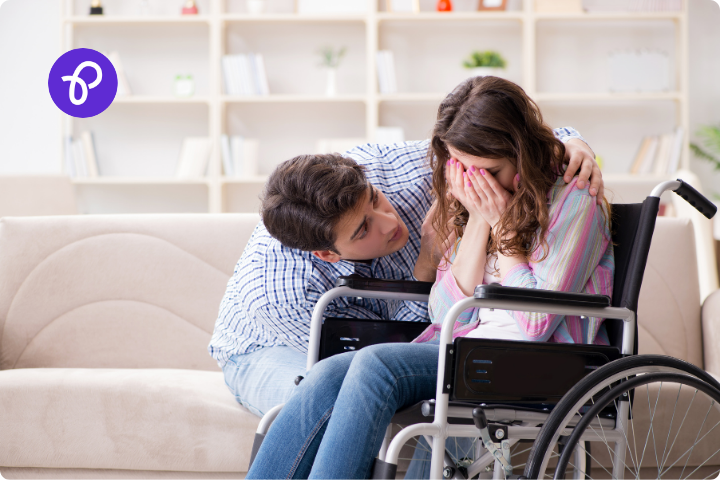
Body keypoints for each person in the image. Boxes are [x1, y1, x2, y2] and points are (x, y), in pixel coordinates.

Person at [245, 75, 614, 479]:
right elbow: (443, 313)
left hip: (543, 362)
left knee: (375, 365)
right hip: (472, 353)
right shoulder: (474, 198)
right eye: (466, 172)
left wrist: (503, 230)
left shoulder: (575, 199)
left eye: (488, 171)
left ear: (521, 152)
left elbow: (535, 323)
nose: (477, 185)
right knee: (329, 371)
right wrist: (477, 221)